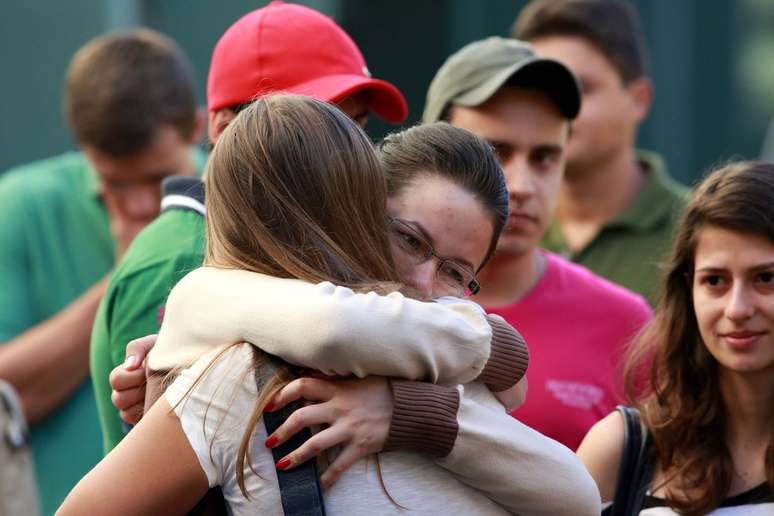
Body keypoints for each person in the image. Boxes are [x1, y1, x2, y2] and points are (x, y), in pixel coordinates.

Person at [62, 96, 600, 515]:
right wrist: (487, 342)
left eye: (457, 274)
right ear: (354, 214)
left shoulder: (442, 375)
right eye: (409, 239)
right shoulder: (239, 371)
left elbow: (578, 496)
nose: (420, 282)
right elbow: (320, 322)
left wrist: (409, 413)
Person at [90, 0, 408, 454]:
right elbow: (166, 477)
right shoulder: (180, 258)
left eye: (355, 124)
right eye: (311, 123)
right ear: (223, 127)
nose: (344, 148)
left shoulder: (280, 240)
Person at [0, 29, 205, 514]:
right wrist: (127, 274)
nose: (140, 203)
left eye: (159, 178)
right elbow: (7, 395)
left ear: (198, 127)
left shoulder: (238, 202)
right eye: (114, 181)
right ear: (82, 149)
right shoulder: (22, 205)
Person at [422, 36, 652, 451]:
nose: (522, 186)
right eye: (494, 153)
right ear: (430, 153)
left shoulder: (626, 324)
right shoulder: (366, 300)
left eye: (545, 158)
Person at [577, 161, 774, 515]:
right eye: (715, 281)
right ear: (687, 290)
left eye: (765, 278)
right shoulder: (623, 450)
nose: (737, 308)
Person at [512, 0, 688, 305]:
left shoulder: (697, 231)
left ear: (638, 100)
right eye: (538, 90)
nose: (557, 107)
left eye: (578, 88)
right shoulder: (496, 230)